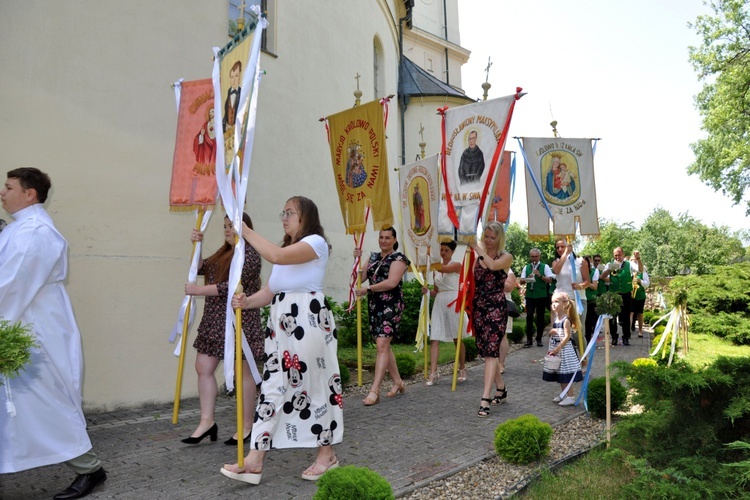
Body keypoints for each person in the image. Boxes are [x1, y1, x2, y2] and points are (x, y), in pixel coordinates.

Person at [0, 168, 107, 499]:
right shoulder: (20, 228)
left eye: (8, 187)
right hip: (23, 320)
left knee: (45, 399)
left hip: (31, 328)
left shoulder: (34, 232)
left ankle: (90, 470)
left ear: (30, 194)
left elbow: (12, 284)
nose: (2, 192)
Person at [221, 196, 343, 485]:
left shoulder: (315, 244)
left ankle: (327, 455)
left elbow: (274, 256)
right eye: (283, 212)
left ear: (306, 218)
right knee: (273, 388)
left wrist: (245, 229)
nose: (284, 217)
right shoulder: (285, 251)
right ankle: (254, 459)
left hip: (308, 323)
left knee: (314, 387)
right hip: (280, 328)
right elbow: (270, 292)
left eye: (290, 212)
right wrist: (246, 301)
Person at [182, 213, 263, 446]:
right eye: (225, 226)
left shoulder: (251, 254)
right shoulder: (222, 253)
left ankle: (247, 425)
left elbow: (232, 287)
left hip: (239, 321)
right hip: (214, 320)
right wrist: (197, 244)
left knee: (242, 374)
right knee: (203, 367)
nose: (227, 230)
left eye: (232, 226)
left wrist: (198, 291)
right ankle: (207, 421)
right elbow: (199, 269)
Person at [354, 227, 410, 405]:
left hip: (391, 305)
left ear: (394, 240)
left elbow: (392, 282)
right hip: (375, 305)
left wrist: (368, 288)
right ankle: (398, 381)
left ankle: (374, 390)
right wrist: (356, 260)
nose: (384, 240)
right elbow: (358, 279)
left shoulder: (399, 258)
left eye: (387, 238)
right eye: (381, 237)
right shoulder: (372, 257)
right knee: (384, 346)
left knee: (381, 345)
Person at [469, 221, 513, 418]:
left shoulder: (505, 257)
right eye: (486, 236)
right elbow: (471, 280)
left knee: (491, 351)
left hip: (496, 308)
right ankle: (501, 388)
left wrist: (476, 247)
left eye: (492, 237)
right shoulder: (475, 258)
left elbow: (493, 266)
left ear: (499, 239)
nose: (488, 240)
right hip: (479, 308)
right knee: (488, 352)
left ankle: (484, 398)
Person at [422, 240, 467, 386]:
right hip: (440, 302)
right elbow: (436, 291)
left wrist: (429, 256)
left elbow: (443, 269)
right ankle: (433, 373)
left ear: (452, 252)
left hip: (453, 300)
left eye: (446, 250)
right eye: (441, 250)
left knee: (456, 337)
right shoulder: (437, 269)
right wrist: (428, 292)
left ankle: (462, 368)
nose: (443, 253)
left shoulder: (456, 265)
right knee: (434, 337)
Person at [543, 292, 584, 406]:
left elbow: (567, 336)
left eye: (557, 302)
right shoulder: (556, 318)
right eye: (552, 302)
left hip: (564, 350)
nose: (554, 305)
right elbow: (555, 332)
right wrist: (551, 332)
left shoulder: (566, 320)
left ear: (565, 304)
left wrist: (558, 348)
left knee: (566, 373)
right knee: (560, 373)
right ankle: (564, 394)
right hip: (557, 348)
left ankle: (570, 396)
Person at [551, 238, 590, 347]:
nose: (559, 249)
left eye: (562, 246)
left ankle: (584, 358)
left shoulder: (581, 262)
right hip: (561, 301)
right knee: (561, 332)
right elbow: (556, 271)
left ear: (569, 246)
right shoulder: (556, 262)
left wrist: (579, 286)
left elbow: (587, 281)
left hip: (578, 300)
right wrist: (564, 255)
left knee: (577, 332)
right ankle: (567, 359)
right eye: (557, 247)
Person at [601, 247, 643, 346]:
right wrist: (610, 268)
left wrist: (638, 259)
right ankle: (614, 337)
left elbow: (640, 270)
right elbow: (603, 276)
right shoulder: (610, 264)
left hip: (626, 294)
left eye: (619, 255)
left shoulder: (629, 264)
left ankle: (626, 337)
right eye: (615, 255)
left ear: (623, 255)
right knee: (612, 317)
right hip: (613, 294)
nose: (617, 257)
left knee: (625, 317)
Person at [520, 248, 556, 347]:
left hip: (541, 295)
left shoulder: (545, 267)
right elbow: (521, 281)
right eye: (532, 256)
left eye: (536, 256)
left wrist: (540, 276)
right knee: (529, 316)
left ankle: (539, 339)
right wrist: (528, 278)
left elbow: (550, 280)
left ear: (539, 256)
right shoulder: (526, 267)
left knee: (540, 317)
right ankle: (529, 340)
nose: (534, 258)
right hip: (530, 296)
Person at [629, 251, 650, 338]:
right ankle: (629, 330)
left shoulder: (643, 271)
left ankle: (640, 331)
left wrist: (640, 281)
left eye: (636, 260)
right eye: (633, 260)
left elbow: (647, 284)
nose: (634, 262)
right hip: (630, 295)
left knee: (640, 313)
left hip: (640, 295)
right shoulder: (630, 270)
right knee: (630, 312)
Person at [583, 255, 602, 344]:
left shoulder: (595, 271)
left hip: (591, 300)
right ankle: (584, 340)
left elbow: (594, 287)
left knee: (592, 322)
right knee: (584, 322)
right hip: (581, 299)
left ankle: (590, 341)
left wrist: (586, 283)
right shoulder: (578, 272)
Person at [223, 60, 242, 132]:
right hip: (227, 131)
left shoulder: (242, 92)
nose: (234, 80)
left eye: (236, 76)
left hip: (237, 131)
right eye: (232, 77)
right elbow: (226, 113)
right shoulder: (228, 92)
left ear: (240, 77)